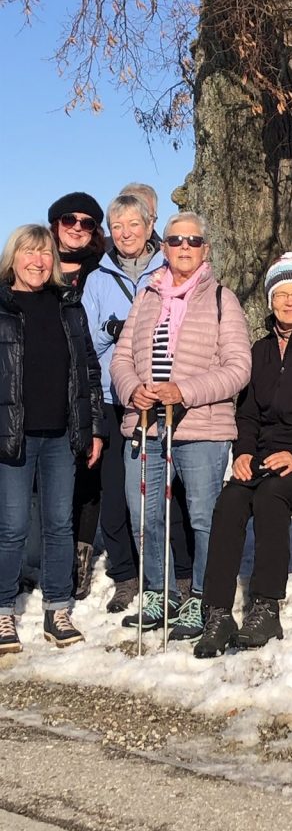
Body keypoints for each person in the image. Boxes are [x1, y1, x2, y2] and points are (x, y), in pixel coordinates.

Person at [194, 253, 292, 659]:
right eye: (281, 294)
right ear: (270, 301)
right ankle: (217, 611)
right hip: (269, 455)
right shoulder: (261, 351)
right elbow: (248, 414)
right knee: (231, 499)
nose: (290, 302)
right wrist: (244, 452)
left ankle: (266, 607)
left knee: (271, 495)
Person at [110, 212, 251, 641]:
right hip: (146, 425)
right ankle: (161, 592)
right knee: (145, 514)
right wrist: (132, 389)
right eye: (175, 240)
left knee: (204, 517)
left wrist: (184, 391)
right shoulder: (146, 297)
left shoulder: (223, 298)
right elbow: (121, 358)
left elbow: (238, 369)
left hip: (202, 427)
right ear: (164, 247)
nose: (184, 247)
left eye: (193, 240)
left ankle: (202, 597)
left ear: (206, 249)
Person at [0, 225, 104, 654]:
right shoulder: (2, 306)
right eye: (29, 252)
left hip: (62, 435)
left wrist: (94, 428)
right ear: (13, 258)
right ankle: (3, 611)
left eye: (45, 254)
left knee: (60, 525)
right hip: (13, 437)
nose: (38, 261)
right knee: (12, 527)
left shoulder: (68, 307)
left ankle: (57, 609)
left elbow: (89, 371)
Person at [81, 193, 169, 613]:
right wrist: (111, 330)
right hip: (110, 397)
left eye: (134, 224)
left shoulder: (166, 269)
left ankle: (170, 572)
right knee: (114, 491)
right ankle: (124, 574)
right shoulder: (98, 278)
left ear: (150, 226)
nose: (126, 233)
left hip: (155, 397)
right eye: (117, 226)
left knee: (162, 490)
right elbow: (86, 339)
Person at [47, 191, 107, 600]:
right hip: (46, 385)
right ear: (55, 224)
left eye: (87, 223)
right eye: (70, 219)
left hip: (88, 382)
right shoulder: (37, 262)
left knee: (87, 475)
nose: (77, 228)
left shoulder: (100, 270)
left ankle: (79, 562)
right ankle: (49, 555)